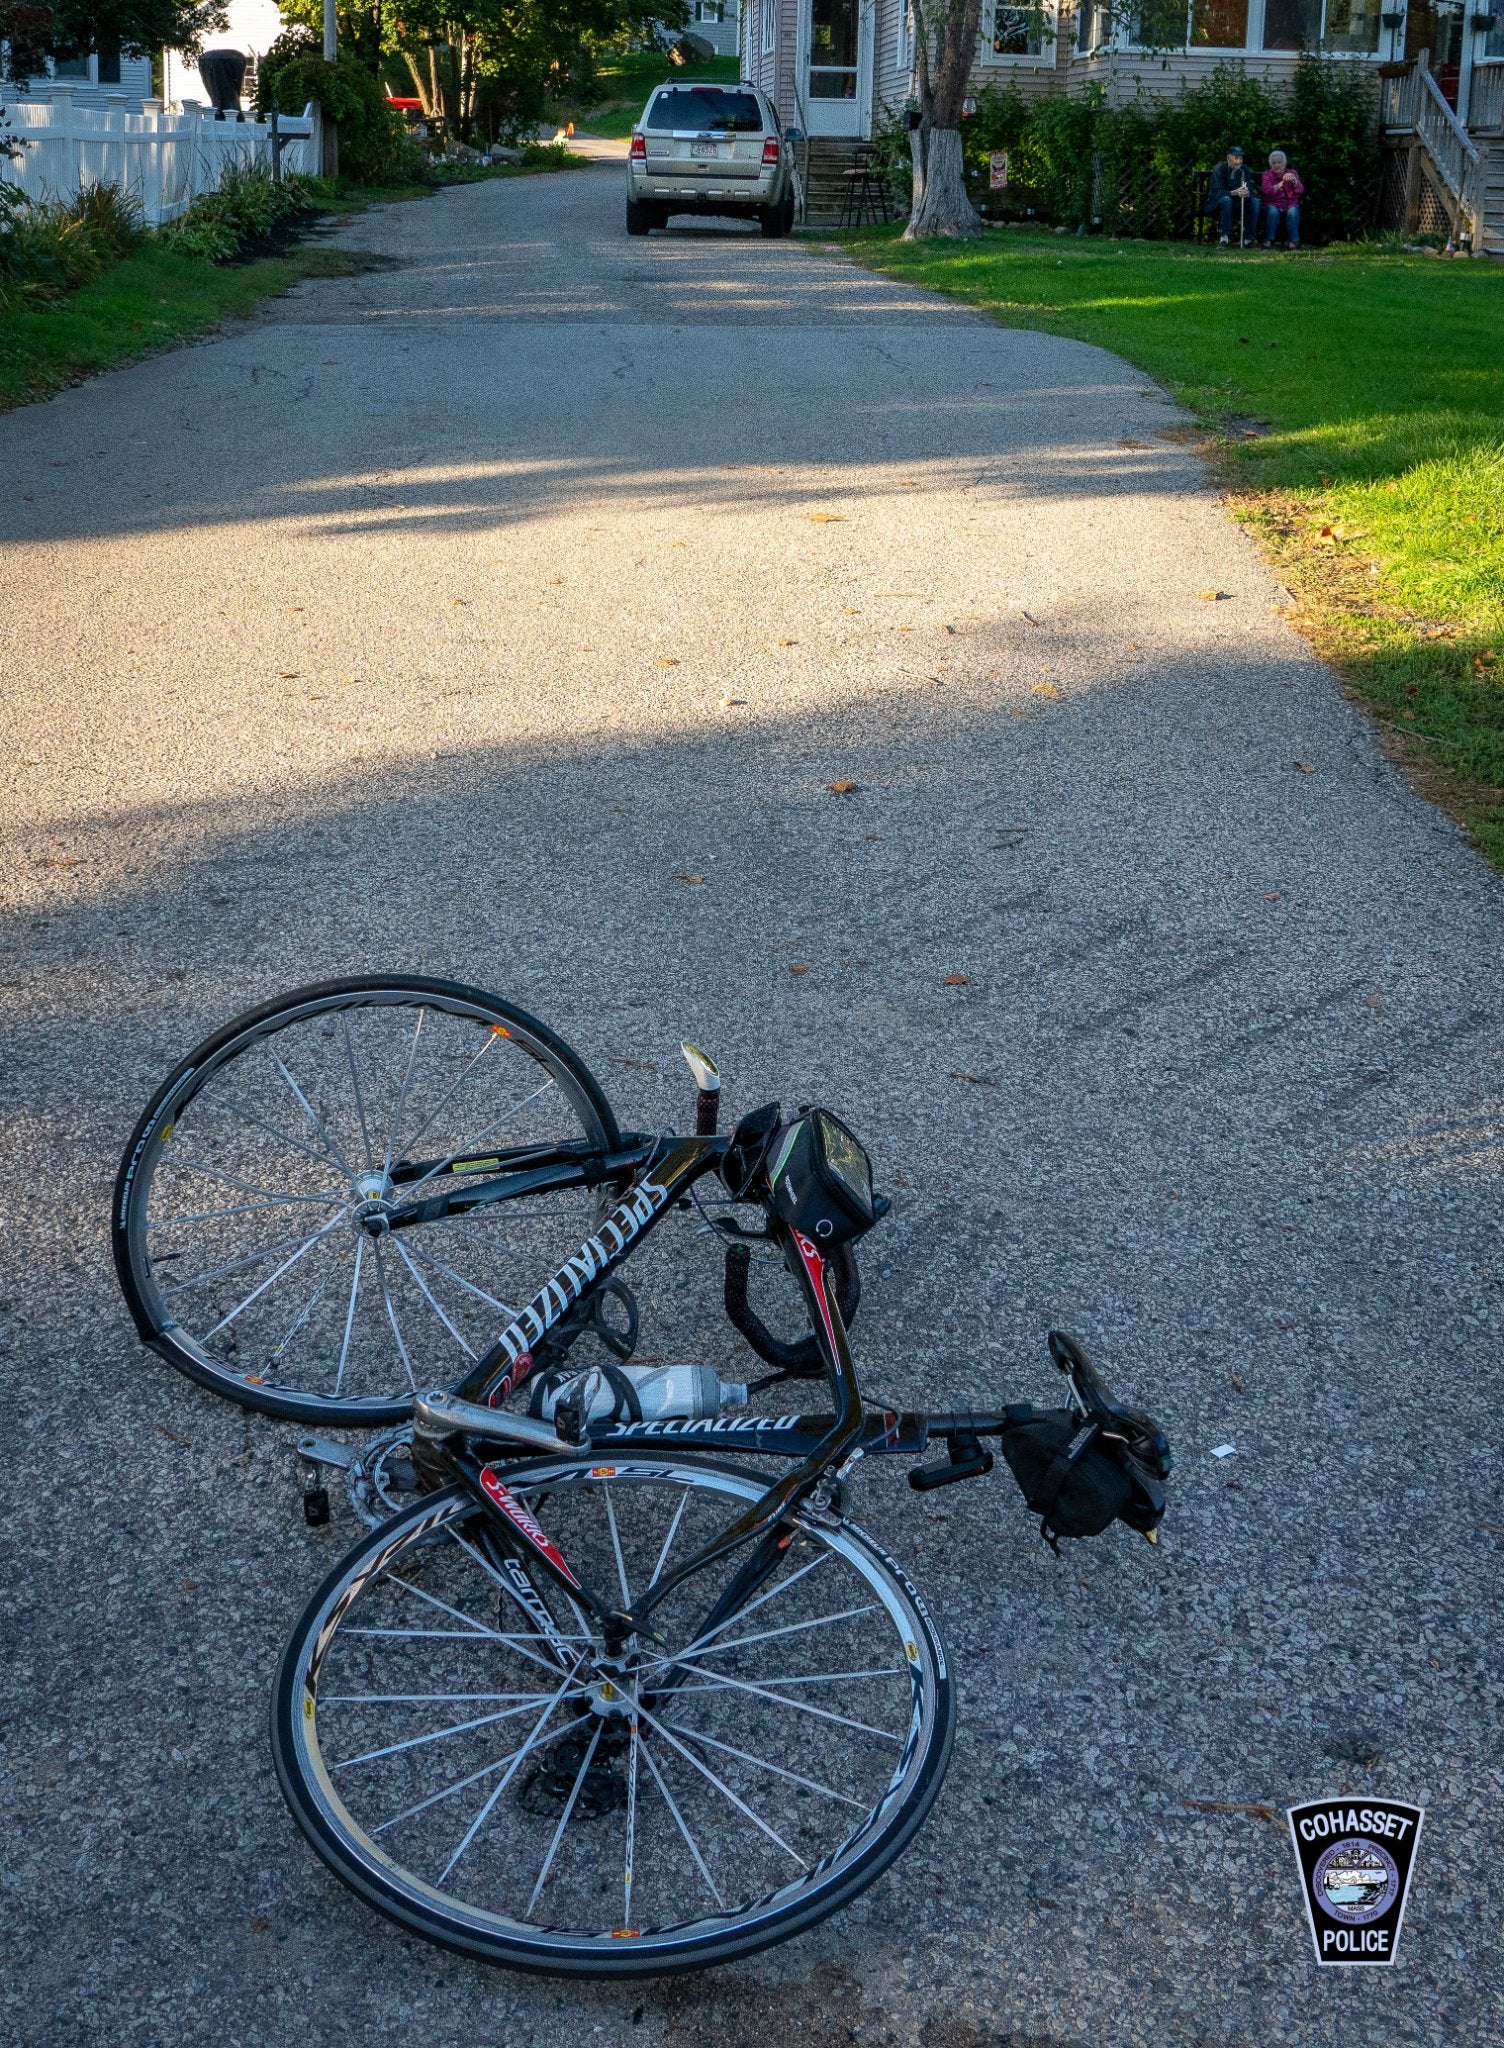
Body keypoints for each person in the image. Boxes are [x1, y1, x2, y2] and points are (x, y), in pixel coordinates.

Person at [1205, 145, 1258, 246]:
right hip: (1216, 204)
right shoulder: (1219, 169)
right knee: (1226, 200)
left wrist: (1247, 193)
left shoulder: (1244, 169)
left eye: (1241, 158)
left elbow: (1250, 189)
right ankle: (1224, 238)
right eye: (1236, 158)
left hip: (1237, 204)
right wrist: (1234, 192)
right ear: (1228, 157)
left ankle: (1248, 239)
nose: (1239, 161)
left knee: (1255, 202)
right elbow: (1216, 192)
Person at [1260, 150, 1304, 247]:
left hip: (1290, 204)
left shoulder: (1292, 173)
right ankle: (1269, 240)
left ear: (1284, 163)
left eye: (1279, 162)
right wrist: (1282, 183)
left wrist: (1294, 181)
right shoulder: (1267, 175)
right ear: (1270, 164)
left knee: (1293, 212)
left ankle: (1293, 242)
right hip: (1272, 203)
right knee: (1273, 212)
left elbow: (1300, 190)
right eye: (1274, 163)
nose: (1276, 165)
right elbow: (1267, 191)